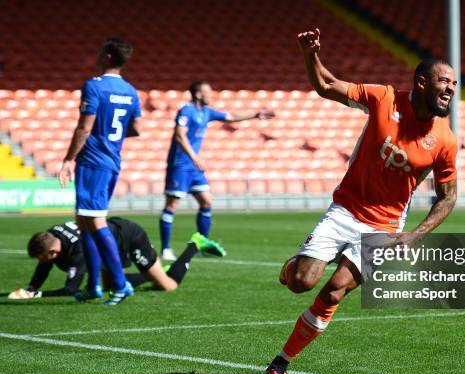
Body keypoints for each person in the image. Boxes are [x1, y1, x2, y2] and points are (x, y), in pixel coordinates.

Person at [264, 29, 458, 374]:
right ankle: (291, 268)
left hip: (384, 228)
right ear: (421, 82)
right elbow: (326, 86)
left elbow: (448, 197)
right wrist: (311, 55)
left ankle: (281, 362)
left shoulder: (444, 140)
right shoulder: (383, 98)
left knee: (335, 290)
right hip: (345, 211)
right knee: (301, 282)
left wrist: (416, 234)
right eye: (444, 81)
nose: (450, 88)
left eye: (454, 84)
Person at [58, 38, 141, 305]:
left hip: (93, 161)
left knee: (95, 221)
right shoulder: (130, 90)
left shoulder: (94, 86)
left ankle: (120, 284)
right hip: (112, 159)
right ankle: (94, 285)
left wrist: (69, 159)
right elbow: (136, 128)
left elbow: (84, 127)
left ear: (106, 56)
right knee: (84, 222)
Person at [159, 81, 274, 261]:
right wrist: (195, 157)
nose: (211, 95)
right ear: (198, 94)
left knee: (206, 203)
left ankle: (201, 244)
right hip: (180, 166)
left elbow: (231, 116)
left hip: (195, 169)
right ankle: (165, 249)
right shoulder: (186, 111)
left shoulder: (207, 112)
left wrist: (255, 114)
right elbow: (180, 136)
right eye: (208, 92)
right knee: (172, 206)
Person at [7, 218, 214, 300]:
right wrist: (30, 287)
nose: (43, 262)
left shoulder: (78, 250)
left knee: (168, 285)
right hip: (107, 242)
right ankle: (153, 272)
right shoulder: (51, 237)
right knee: (109, 285)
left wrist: (36, 294)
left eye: (43, 258)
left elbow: (72, 289)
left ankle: (194, 244)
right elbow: (44, 266)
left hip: (130, 236)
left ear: (52, 252)